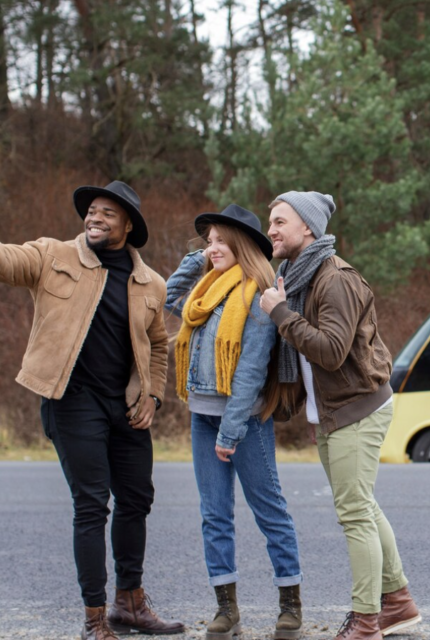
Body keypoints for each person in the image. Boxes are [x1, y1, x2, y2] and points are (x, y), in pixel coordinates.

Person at [0, 181, 182, 640]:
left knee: (137, 499)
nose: (94, 218)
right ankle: (95, 618)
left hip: (125, 407)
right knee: (92, 505)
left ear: (128, 225)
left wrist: (151, 395)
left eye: (107, 213)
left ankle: (129, 604)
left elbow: (157, 344)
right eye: (91, 211)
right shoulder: (52, 256)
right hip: (71, 402)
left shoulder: (150, 282)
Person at [258, 191, 421, 640]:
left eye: (279, 222)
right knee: (363, 507)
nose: (270, 229)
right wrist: (316, 413)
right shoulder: (295, 275)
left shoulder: (334, 279)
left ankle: (367, 620)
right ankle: (399, 604)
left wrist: (280, 314)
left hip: (357, 407)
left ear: (307, 228)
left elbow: (330, 352)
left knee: (354, 514)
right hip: (334, 411)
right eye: (270, 222)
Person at [165, 204, 303, 640]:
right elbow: (170, 297)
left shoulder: (259, 295)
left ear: (241, 245)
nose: (213, 248)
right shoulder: (204, 290)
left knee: (269, 511)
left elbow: (249, 371)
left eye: (221, 240)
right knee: (214, 515)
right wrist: (198, 259)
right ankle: (227, 609)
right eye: (208, 242)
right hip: (202, 418)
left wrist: (230, 431)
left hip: (244, 421)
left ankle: (290, 606)